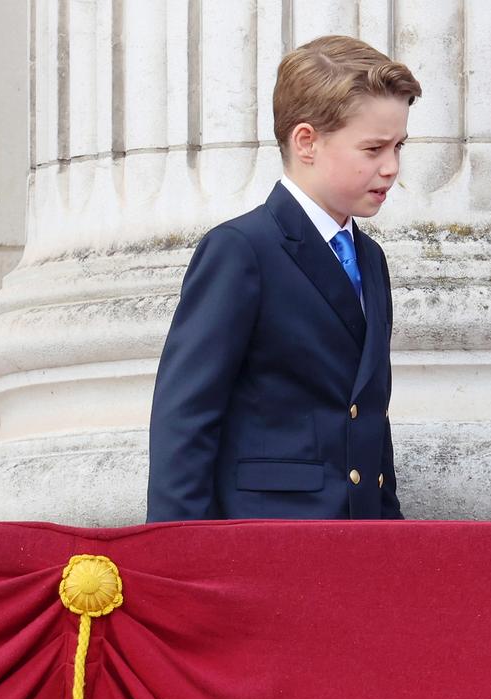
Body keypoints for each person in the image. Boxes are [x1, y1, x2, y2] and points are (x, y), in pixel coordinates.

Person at [147, 35, 421, 522]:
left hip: (360, 541)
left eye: (398, 146)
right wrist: (180, 563)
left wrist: (390, 536)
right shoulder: (241, 250)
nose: (391, 168)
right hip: (265, 539)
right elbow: (185, 421)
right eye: (374, 148)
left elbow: (369, 417)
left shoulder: (370, 258)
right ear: (307, 141)